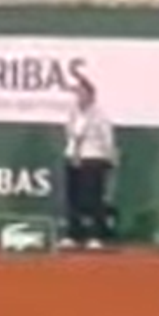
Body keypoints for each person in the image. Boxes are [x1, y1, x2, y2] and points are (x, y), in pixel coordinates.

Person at [63, 80, 114, 249]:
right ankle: (73, 235)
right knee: (73, 199)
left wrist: (108, 156)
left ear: (91, 95)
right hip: (73, 157)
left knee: (94, 199)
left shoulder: (101, 115)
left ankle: (95, 236)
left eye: (83, 93)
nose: (80, 97)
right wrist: (73, 152)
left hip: (93, 159)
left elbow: (107, 138)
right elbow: (69, 132)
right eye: (78, 93)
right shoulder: (72, 112)